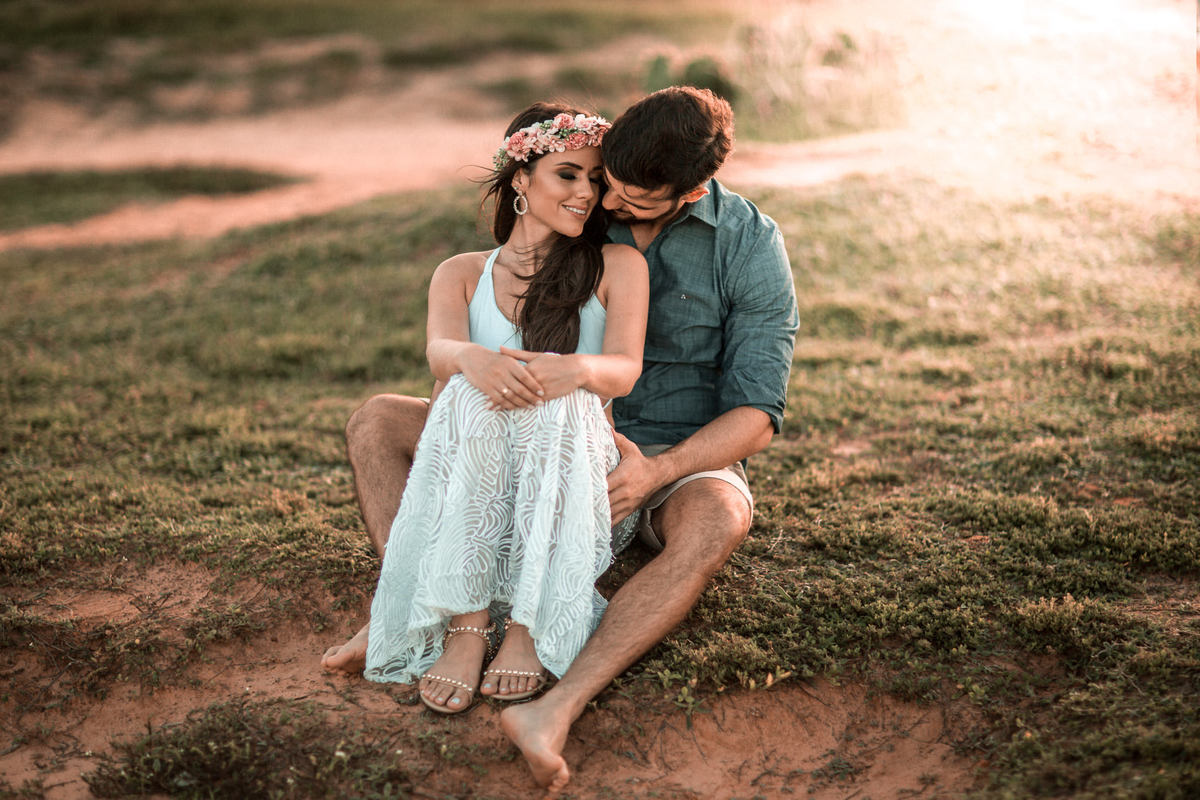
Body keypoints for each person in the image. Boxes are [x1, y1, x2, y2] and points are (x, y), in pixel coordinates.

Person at [324, 86, 798, 794]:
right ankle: (409, 605)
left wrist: (658, 468)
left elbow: (759, 413)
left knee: (719, 519)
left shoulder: (748, 245)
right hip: (546, 426)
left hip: (671, 451)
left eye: (628, 196)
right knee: (378, 420)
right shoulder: (579, 209)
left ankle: (555, 707)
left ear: (692, 190)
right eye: (603, 181)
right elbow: (495, 315)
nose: (604, 204)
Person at [351, 102, 649, 715]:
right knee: (468, 386)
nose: (585, 193)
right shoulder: (461, 273)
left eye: (595, 180)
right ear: (521, 178)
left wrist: (576, 369)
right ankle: (467, 627)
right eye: (568, 174)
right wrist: (472, 359)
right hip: (479, 471)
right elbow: (439, 351)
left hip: (573, 481)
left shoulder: (617, 265)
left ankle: (524, 632)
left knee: (547, 396)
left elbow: (624, 368)